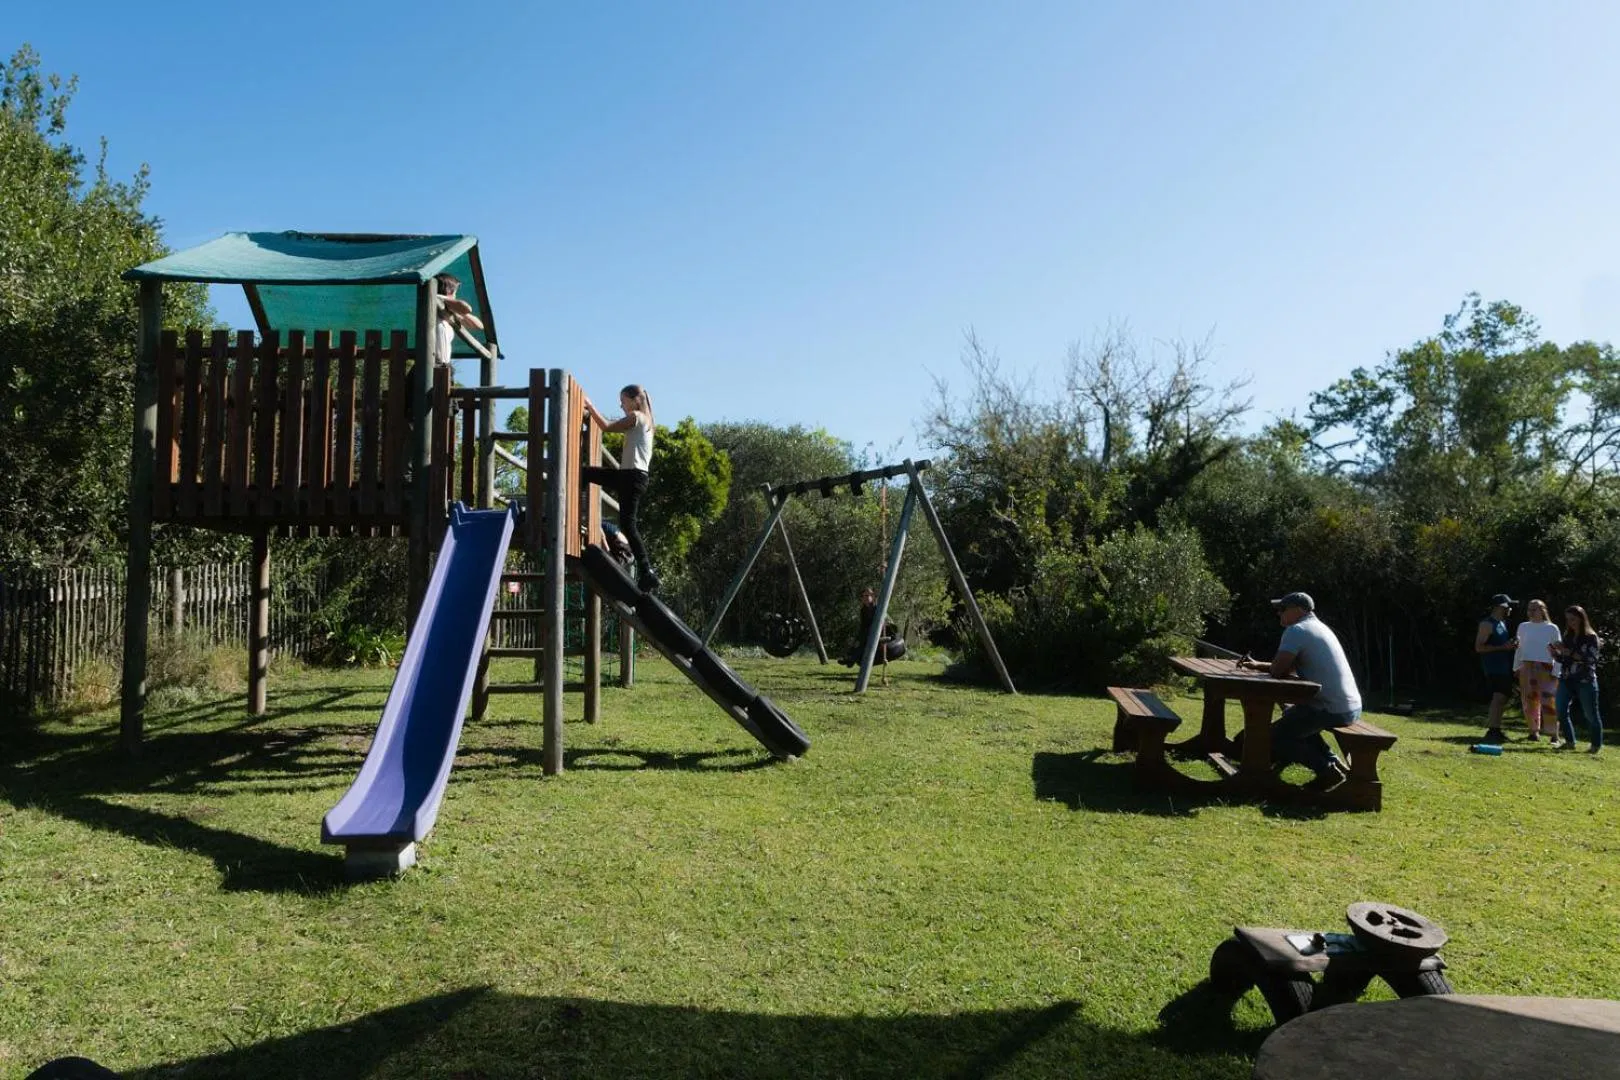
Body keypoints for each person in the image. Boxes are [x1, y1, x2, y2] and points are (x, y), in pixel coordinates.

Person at [1236, 591, 1360, 792]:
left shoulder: (1297, 630)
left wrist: (1267, 668)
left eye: (1283, 609)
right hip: (1349, 707)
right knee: (1294, 720)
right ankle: (1333, 762)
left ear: (1299, 610)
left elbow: (1278, 671)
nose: (1279, 613)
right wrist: (1257, 665)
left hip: (1328, 708)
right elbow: (1287, 668)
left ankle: (1326, 770)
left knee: (1273, 737)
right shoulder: (1320, 628)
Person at [582, 385, 659, 591]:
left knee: (628, 525)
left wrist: (590, 405)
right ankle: (647, 571)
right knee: (587, 474)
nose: (621, 405)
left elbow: (607, 426)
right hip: (633, 477)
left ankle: (647, 571)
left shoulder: (636, 416)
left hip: (631, 477)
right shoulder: (648, 421)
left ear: (635, 400)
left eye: (623, 401)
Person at [1550, 604, 1603, 754]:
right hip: (1567, 678)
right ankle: (1570, 742)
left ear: (1581, 619)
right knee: (1560, 710)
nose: (1570, 622)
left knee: (1590, 714)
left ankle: (1595, 746)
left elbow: (1591, 659)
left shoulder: (1591, 637)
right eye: (1568, 619)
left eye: (1573, 619)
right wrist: (1555, 654)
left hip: (1585, 680)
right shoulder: (1568, 635)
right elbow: (1565, 659)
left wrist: (1567, 651)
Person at [1513, 599, 1563, 743]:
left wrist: (1556, 671)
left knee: (1549, 701)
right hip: (1526, 666)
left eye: (1534, 609)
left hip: (1546, 667)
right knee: (1529, 700)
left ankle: (1554, 734)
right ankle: (1533, 732)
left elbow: (1558, 651)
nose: (1531, 612)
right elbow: (1519, 648)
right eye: (1529, 609)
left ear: (1542, 610)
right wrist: (1516, 667)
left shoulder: (1552, 628)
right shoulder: (1523, 626)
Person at [1475, 593, 1518, 745]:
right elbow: (1479, 647)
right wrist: (1503, 647)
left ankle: (1496, 729)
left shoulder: (1502, 623)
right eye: (1508, 606)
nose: (1510, 609)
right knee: (1498, 697)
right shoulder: (1487, 624)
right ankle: (1492, 730)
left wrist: (1510, 645)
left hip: (1504, 667)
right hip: (1493, 667)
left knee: (1503, 697)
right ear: (1500, 607)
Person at [432, 272, 484, 366]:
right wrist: (446, 300)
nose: (455, 296)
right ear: (449, 291)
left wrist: (455, 311)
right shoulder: (434, 299)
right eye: (455, 292)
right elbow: (466, 308)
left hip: (442, 365)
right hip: (432, 364)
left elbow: (479, 325)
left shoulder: (447, 311)